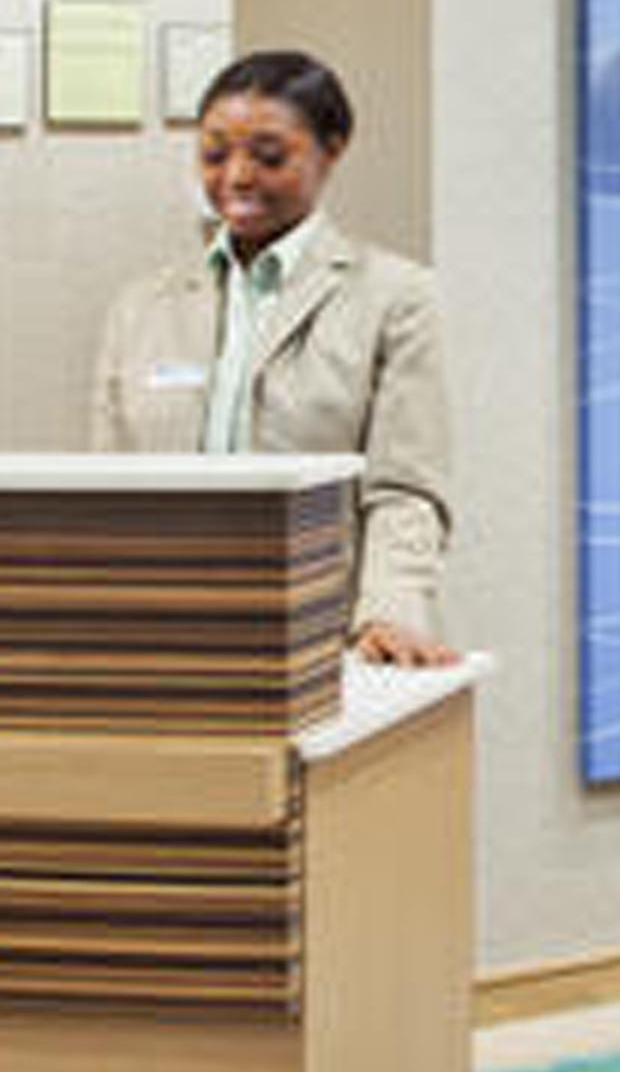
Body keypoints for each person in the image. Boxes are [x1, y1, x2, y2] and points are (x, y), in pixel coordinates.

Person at [92, 47, 456, 666]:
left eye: (268, 156)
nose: (236, 177)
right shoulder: (141, 307)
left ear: (332, 149)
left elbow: (405, 490)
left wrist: (390, 612)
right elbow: (108, 492)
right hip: (166, 635)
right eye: (214, 155)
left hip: (326, 640)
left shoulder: (395, 297)